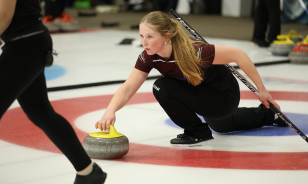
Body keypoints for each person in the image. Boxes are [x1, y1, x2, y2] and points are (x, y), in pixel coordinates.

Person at [95, 11, 287, 147]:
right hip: (203, 94)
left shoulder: (195, 51)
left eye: (149, 36)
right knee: (221, 124)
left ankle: (197, 133)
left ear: (166, 37)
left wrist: (261, 89)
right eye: (141, 36)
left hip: (222, 96)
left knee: (161, 86)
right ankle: (270, 114)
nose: (143, 42)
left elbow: (239, 54)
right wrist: (110, 111)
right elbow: (128, 88)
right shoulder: (149, 56)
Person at [0, 0, 106, 183]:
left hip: (25, 44)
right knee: (39, 112)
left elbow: (4, 15)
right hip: (27, 42)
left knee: (40, 112)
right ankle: (88, 172)